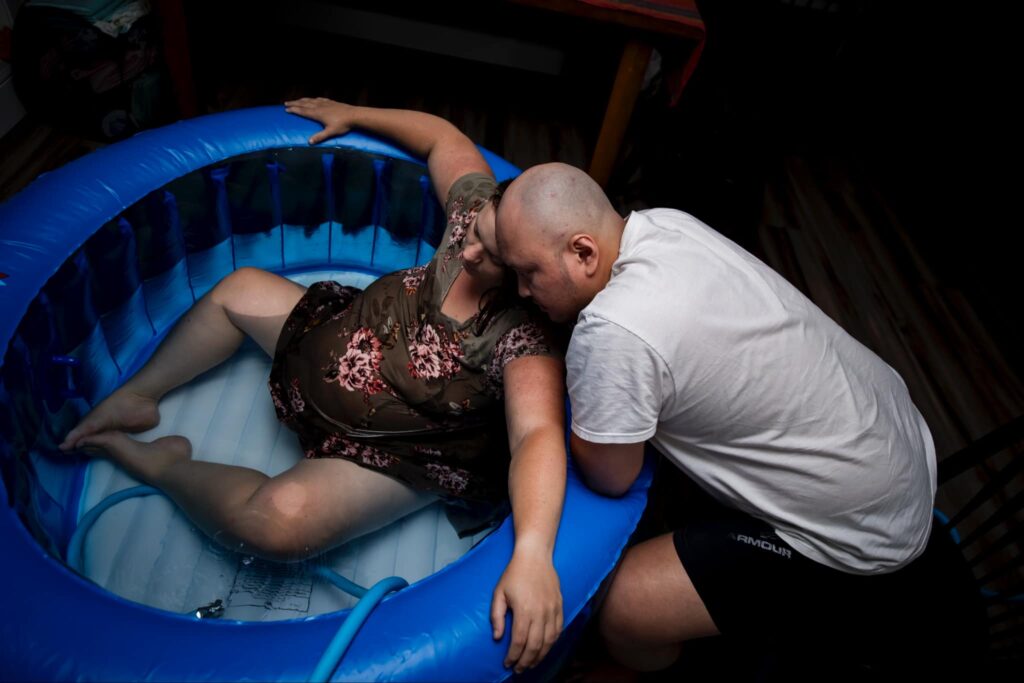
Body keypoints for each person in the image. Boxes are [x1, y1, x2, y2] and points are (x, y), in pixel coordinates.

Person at [58, 98, 567, 674]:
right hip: (339, 339)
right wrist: (354, 113)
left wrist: (532, 552)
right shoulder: (478, 218)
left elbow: (537, 434)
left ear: (528, 274)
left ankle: (161, 465)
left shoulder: (521, 335)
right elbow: (442, 137)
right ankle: (139, 396)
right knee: (239, 289)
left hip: (403, 447)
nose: (468, 248)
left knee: (276, 524)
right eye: (473, 231)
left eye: (492, 256)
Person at [493, 162, 981, 676]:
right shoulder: (664, 224)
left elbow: (612, 478)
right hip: (896, 442)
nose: (523, 292)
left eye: (530, 273)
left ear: (584, 252)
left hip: (860, 529)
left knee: (623, 611)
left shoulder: (614, 330)